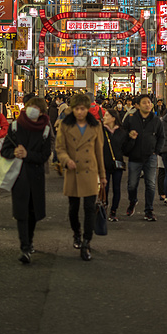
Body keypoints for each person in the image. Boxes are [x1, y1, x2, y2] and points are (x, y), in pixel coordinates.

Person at [1, 97, 52, 264]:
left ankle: (29, 240)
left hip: (36, 176)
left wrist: (28, 154)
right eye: (31, 107)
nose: (33, 110)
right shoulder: (15, 126)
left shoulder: (45, 129)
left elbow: (45, 155)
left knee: (33, 212)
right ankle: (25, 247)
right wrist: (14, 152)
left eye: (37, 108)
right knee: (21, 212)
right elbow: (4, 150)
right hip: (19, 176)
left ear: (42, 112)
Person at [56, 93, 106, 261]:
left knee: (89, 209)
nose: (79, 112)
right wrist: (66, 160)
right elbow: (60, 147)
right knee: (73, 208)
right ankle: (76, 233)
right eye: (76, 109)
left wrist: (103, 175)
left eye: (82, 109)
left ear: (88, 109)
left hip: (90, 171)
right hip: (73, 171)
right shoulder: (65, 125)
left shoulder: (96, 126)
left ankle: (86, 241)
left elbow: (99, 152)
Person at [122, 94, 165, 221]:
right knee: (132, 184)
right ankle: (133, 201)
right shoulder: (131, 119)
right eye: (144, 102)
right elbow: (123, 134)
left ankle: (149, 210)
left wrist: (156, 151)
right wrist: (129, 135)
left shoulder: (156, 120)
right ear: (138, 106)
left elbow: (161, 137)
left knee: (150, 184)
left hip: (150, 156)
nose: (148, 105)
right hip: (134, 156)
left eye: (149, 102)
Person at [102, 109, 128, 222]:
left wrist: (132, 139)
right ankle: (104, 207)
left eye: (107, 115)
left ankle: (114, 211)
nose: (104, 117)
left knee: (116, 188)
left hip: (117, 164)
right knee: (105, 188)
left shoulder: (121, 132)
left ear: (113, 118)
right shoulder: (100, 131)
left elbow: (126, 149)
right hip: (104, 163)